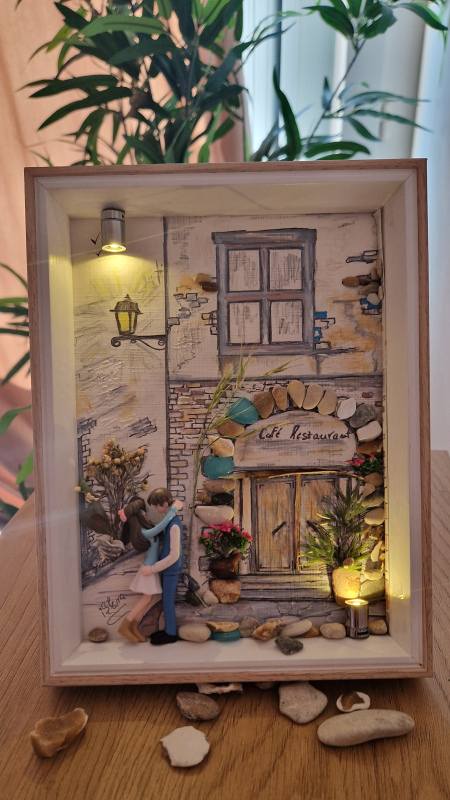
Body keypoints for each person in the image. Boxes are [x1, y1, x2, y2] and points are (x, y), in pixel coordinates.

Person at [117, 494, 182, 643]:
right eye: (142, 512)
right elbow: (161, 526)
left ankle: (133, 626)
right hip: (148, 569)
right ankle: (126, 624)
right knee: (146, 598)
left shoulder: (147, 529)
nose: (145, 513)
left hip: (151, 568)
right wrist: (173, 510)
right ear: (138, 516)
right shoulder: (145, 532)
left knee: (148, 598)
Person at [144, 487, 183, 646]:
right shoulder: (169, 521)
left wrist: (153, 568)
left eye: (156, 505)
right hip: (167, 569)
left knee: (168, 600)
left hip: (171, 569)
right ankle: (168, 630)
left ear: (165, 503)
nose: (155, 508)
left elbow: (174, 555)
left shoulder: (174, 526)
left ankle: (171, 633)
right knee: (166, 599)